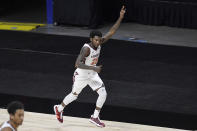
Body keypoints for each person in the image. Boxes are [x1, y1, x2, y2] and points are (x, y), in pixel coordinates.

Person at [54, 6, 126, 127]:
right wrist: (94, 68)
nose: (98, 42)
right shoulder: (86, 49)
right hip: (81, 75)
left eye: (99, 40)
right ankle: (59, 108)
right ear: (91, 39)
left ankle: (95, 117)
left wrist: (120, 17)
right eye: (96, 40)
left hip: (92, 74)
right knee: (74, 95)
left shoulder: (100, 42)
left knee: (103, 93)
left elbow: (112, 31)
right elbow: (77, 64)